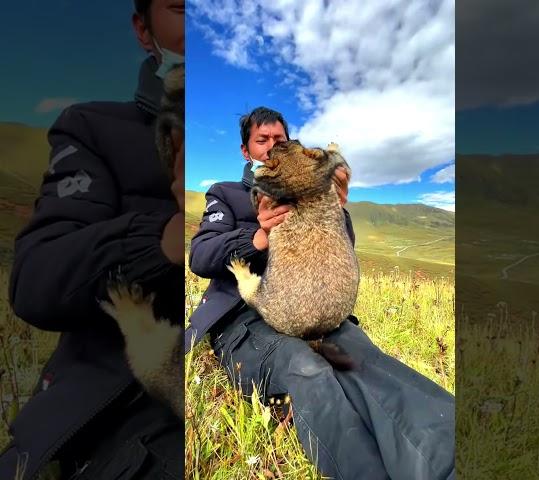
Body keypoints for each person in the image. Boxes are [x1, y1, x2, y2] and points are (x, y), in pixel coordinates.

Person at [187, 106, 456, 480]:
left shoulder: (317, 187)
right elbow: (200, 257)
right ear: (246, 151)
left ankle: (451, 462)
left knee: (365, 363)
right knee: (306, 370)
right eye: (261, 141)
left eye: (278, 139)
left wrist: (336, 207)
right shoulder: (227, 194)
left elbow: (341, 248)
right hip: (246, 320)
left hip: (318, 311)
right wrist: (257, 237)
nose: (271, 147)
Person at [0, 1, 185, 478]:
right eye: (185, 10)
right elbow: (35, 282)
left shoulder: (258, 148)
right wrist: (162, 242)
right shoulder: (92, 128)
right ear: (145, 31)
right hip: (122, 410)